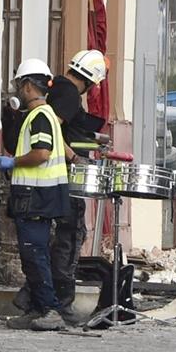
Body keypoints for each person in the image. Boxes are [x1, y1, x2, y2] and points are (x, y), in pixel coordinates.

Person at [0, 58, 72, 331]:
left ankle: (50, 309)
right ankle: (37, 308)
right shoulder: (45, 115)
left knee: (34, 254)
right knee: (34, 255)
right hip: (42, 196)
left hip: (37, 197)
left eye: (19, 85)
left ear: (27, 86)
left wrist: (12, 162)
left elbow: (41, 154)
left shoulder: (39, 117)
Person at [46, 50, 108, 310]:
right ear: (91, 81)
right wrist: (73, 156)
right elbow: (50, 128)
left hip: (52, 176)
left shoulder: (58, 89)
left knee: (67, 234)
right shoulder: (69, 94)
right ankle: (62, 300)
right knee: (71, 235)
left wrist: (93, 137)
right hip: (63, 175)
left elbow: (66, 127)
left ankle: (34, 295)